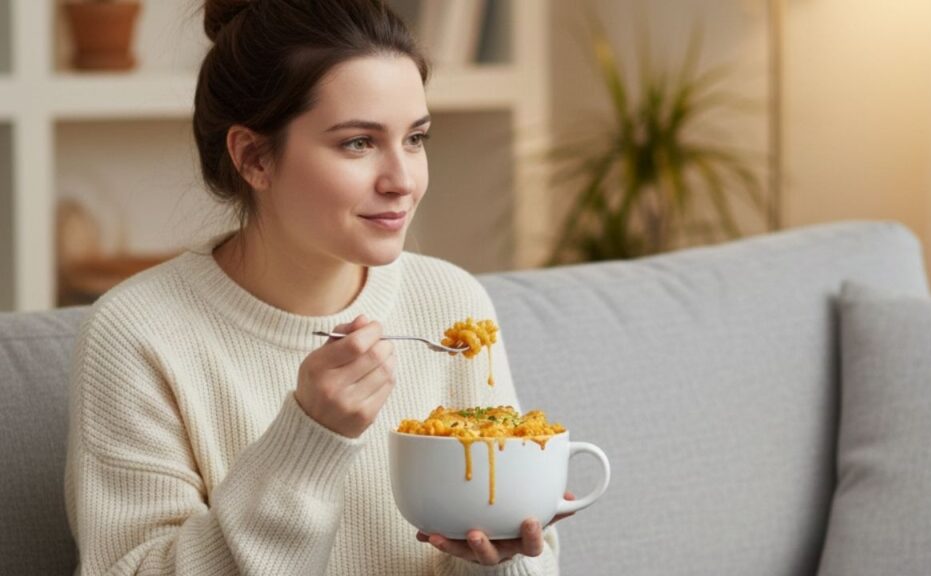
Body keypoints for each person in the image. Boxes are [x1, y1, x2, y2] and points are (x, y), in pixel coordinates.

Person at [64, 1, 570, 573]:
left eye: (415, 138)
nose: (403, 181)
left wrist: (502, 557)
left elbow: (514, 547)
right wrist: (308, 439)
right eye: (358, 142)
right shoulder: (138, 335)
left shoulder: (452, 306)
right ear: (253, 157)